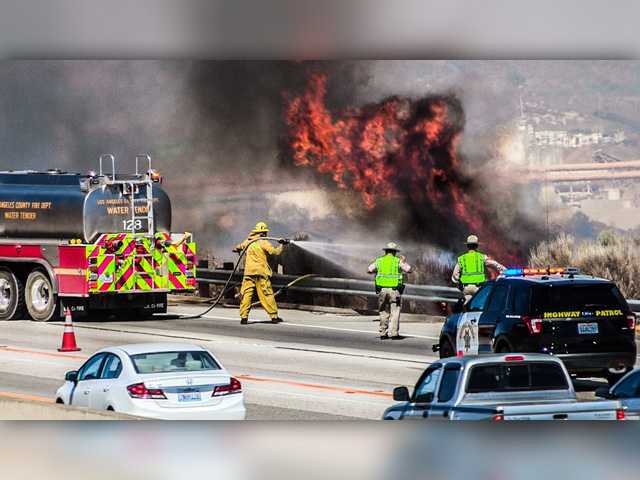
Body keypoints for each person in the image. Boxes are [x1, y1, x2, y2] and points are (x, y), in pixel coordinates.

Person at [233, 221, 289, 325]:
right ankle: (274, 317)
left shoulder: (248, 241)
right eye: (265, 233)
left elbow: (239, 246)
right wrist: (282, 245)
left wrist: (236, 249)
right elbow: (274, 252)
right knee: (266, 294)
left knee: (246, 294)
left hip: (249, 272)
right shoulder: (263, 242)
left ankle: (244, 318)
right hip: (260, 272)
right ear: (263, 233)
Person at [368, 242, 412, 340]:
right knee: (395, 312)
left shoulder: (379, 261)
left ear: (386, 251)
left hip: (382, 290)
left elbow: (369, 270)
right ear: (395, 252)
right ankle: (394, 333)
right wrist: (404, 261)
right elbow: (409, 270)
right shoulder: (398, 261)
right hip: (394, 290)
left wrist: (378, 271)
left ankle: (383, 333)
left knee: (383, 311)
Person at [451, 234, 505, 303]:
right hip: (478, 289)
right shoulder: (481, 257)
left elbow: (455, 275)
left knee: (466, 307)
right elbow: (495, 264)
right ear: (477, 246)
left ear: (467, 246)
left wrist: (459, 283)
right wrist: (505, 271)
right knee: (479, 306)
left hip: (466, 288)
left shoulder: (462, 258)